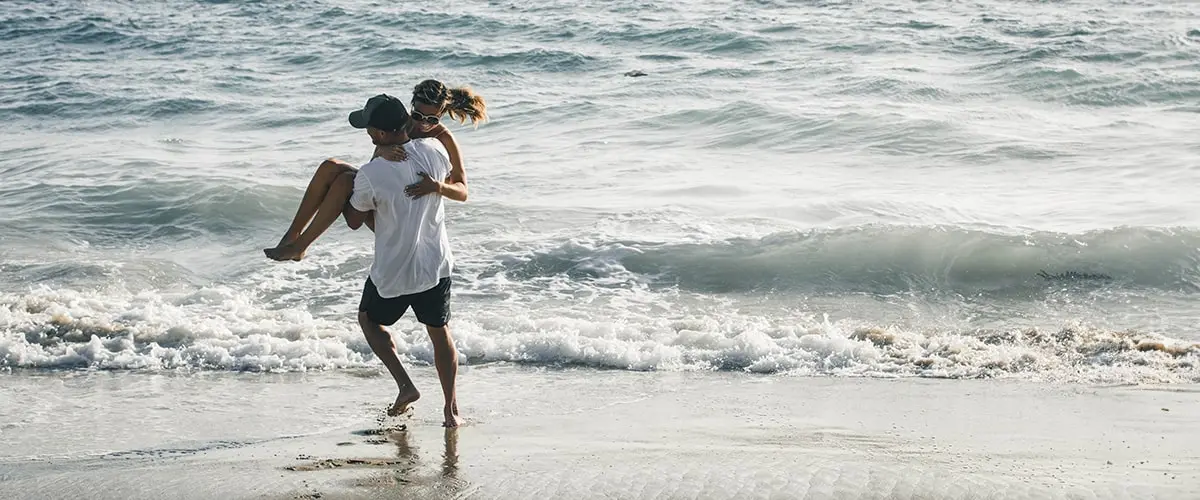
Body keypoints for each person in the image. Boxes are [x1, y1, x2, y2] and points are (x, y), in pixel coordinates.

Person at [339, 93, 465, 427]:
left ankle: (406, 385)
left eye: (369, 129)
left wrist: (345, 191)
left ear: (379, 135)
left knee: (368, 319)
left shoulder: (370, 173)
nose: (367, 133)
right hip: (434, 266)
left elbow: (354, 219)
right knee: (440, 333)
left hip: (393, 272)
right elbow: (456, 184)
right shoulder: (436, 153)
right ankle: (451, 411)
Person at [264, 80, 485, 260]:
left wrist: (437, 186)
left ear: (442, 114)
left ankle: (301, 246)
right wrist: (381, 151)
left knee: (344, 181)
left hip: (405, 217)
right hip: (385, 197)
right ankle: (292, 236)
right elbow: (373, 169)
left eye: (432, 120)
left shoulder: (444, 139)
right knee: (329, 167)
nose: (422, 124)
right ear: (411, 107)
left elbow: (463, 191)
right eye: (417, 116)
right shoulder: (402, 124)